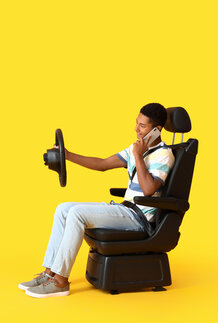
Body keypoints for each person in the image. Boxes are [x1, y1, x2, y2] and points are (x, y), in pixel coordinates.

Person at [18, 103, 175, 298]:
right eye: (136, 123)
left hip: (139, 218)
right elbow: (102, 164)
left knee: (77, 214)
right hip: (125, 210)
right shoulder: (135, 149)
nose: (136, 129)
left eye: (142, 126)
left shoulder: (164, 154)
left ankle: (60, 282)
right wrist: (67, 155)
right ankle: (50, 272)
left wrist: (137, 155)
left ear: (156, 129)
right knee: (63, 208)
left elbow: (149, 189)